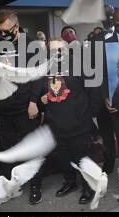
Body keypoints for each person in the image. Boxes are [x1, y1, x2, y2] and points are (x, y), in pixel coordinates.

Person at [32, 38, 99, 204]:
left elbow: (93, 91)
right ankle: (70, 182)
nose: (57, 52)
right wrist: (41, 101)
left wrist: (88, 114)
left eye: (60, 49)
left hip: (79, 123)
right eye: (53, 50)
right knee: (64, 157)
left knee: (82, 158)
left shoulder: (80, 65)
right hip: (56, 124)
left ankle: (88, 187)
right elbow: (41, 96)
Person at [0, 9, 43, 205]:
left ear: (16, 27)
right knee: (8, 150)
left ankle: (36, 184)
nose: (2, 35)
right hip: (3, 108)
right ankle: (12, 187)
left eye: (6, 30)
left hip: (25, 107)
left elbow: (38, 77)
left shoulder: (32, 45)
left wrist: (34, 102)